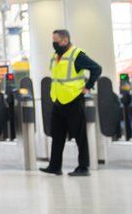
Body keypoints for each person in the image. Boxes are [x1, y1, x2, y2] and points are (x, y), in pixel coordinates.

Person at [39, 29, 103, 177]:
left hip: (74, 99)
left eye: (56, 41)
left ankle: (83, 167)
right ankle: (55, 166)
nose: (54, 44)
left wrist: (88, 86)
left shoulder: (77, 55)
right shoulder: (56, 56)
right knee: (57, 135)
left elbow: (96, 68)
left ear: (65, 40)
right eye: (53, 41)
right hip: (58, 99)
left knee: (80, 136)